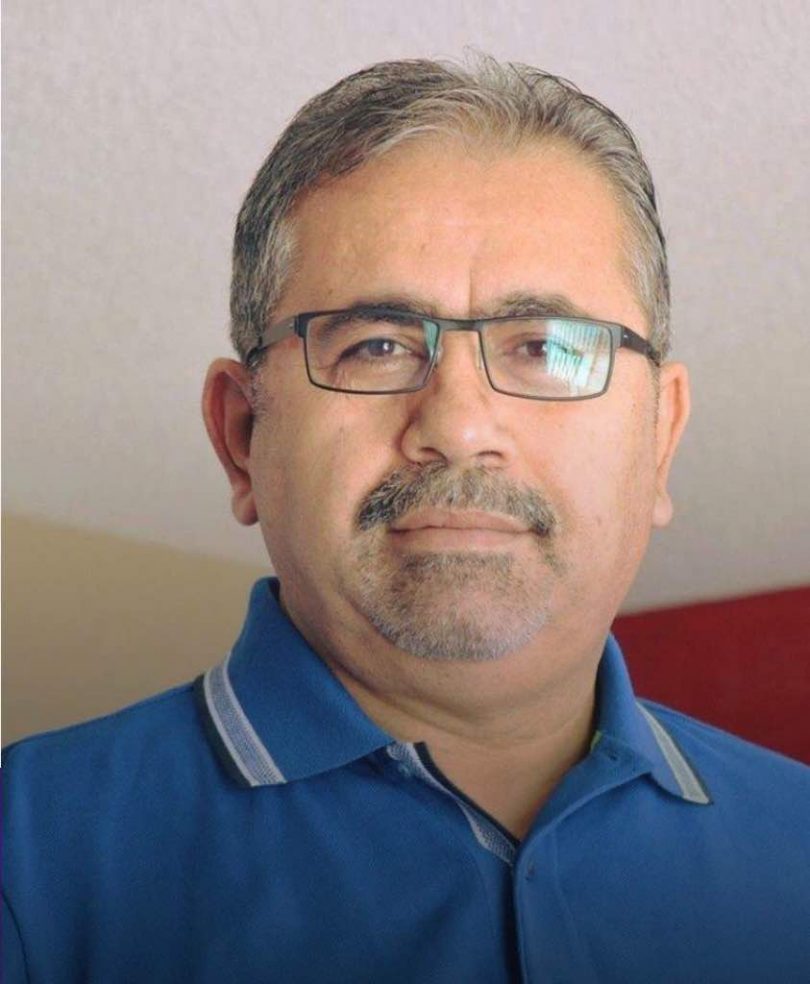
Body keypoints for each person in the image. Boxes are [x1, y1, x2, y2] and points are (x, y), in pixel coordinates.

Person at [3, 55, 809, 984]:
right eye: (377, 344)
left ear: (659, 439)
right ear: (243, 438)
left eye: (545, 346)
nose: (459, 426)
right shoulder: (22, 858)